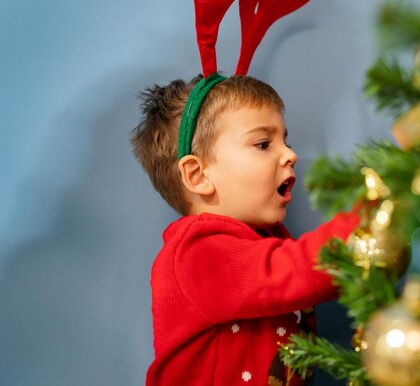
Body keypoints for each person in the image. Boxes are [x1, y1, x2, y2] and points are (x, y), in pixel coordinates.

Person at [131, 74, 360, 386]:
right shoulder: (195, 252)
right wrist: (372, 217)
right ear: (198, 175)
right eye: (263, 144)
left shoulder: (266, 238)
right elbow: (296, 271)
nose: (290, 155)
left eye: (286, 141)